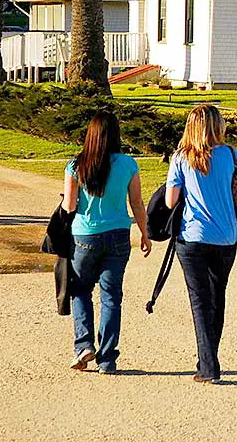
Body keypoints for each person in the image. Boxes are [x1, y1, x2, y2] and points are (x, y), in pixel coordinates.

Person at [165, 105, 237, 384]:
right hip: (226, 237)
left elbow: (171, 201)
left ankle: (208, 366)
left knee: (199, 300)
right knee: (217, 297)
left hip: (192, 237)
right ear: (218, 126)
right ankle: (209, 356)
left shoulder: (181, 158)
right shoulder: (230, 154)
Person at [62, 112, 151, 375]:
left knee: (80, 291)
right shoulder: (128, 164)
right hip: (118, 235)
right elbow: (136, 202)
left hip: (84, 236)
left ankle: (84, 344)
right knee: (112, 297)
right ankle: (108, 359)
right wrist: (144, 233)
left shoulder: (76, 166)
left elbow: (69, 205)